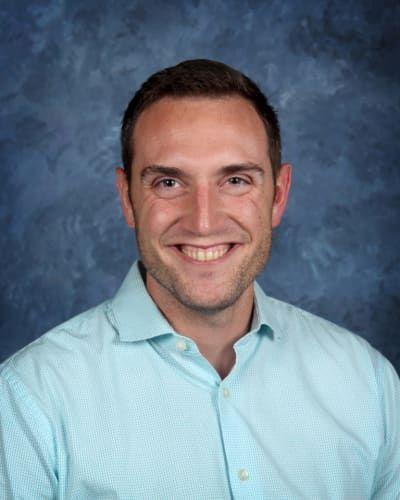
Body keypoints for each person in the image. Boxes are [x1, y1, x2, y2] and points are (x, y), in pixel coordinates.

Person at [0, 59, 399, 499]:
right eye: (169, 182)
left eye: (235, 180)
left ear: (278, 196)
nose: (204, 222)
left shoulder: (369, 385)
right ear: (128, 199)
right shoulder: (29, 400)